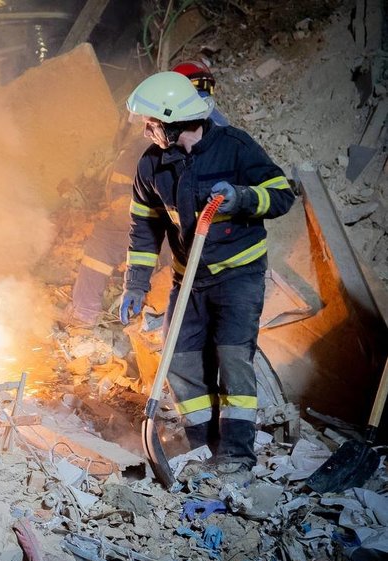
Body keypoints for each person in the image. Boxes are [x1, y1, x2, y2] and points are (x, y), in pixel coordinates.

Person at [119, 71, 295, 476]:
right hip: (189, 278)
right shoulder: (152, 165)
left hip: (239, 274)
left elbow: (282, 194)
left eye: (151, 123)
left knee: (233, 360)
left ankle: (235, 454)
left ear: (174, 120)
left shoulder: (235, 147)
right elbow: (144, 230)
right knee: (180, 359)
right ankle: (202, 445)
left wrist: (243, 198)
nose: (147, 130)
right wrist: (135, 283)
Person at [66, 64, 233, 326]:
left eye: (150, 124)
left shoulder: (156, 143)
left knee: (104, 239)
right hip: (205, 237)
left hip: (190, 237)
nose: (145, 129)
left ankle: (85, 313)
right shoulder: (218, 129)